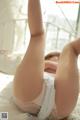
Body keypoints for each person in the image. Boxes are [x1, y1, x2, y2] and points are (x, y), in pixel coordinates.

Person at [13, 0, 80, 119]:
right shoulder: (39, 66)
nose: (61, 61)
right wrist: (51, 65)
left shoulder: (64, 73)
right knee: (69, 48)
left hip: (59, 97)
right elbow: (40, 66)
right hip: (33, 87)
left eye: (61, 60)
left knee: (39, 36)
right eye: (57, 58)